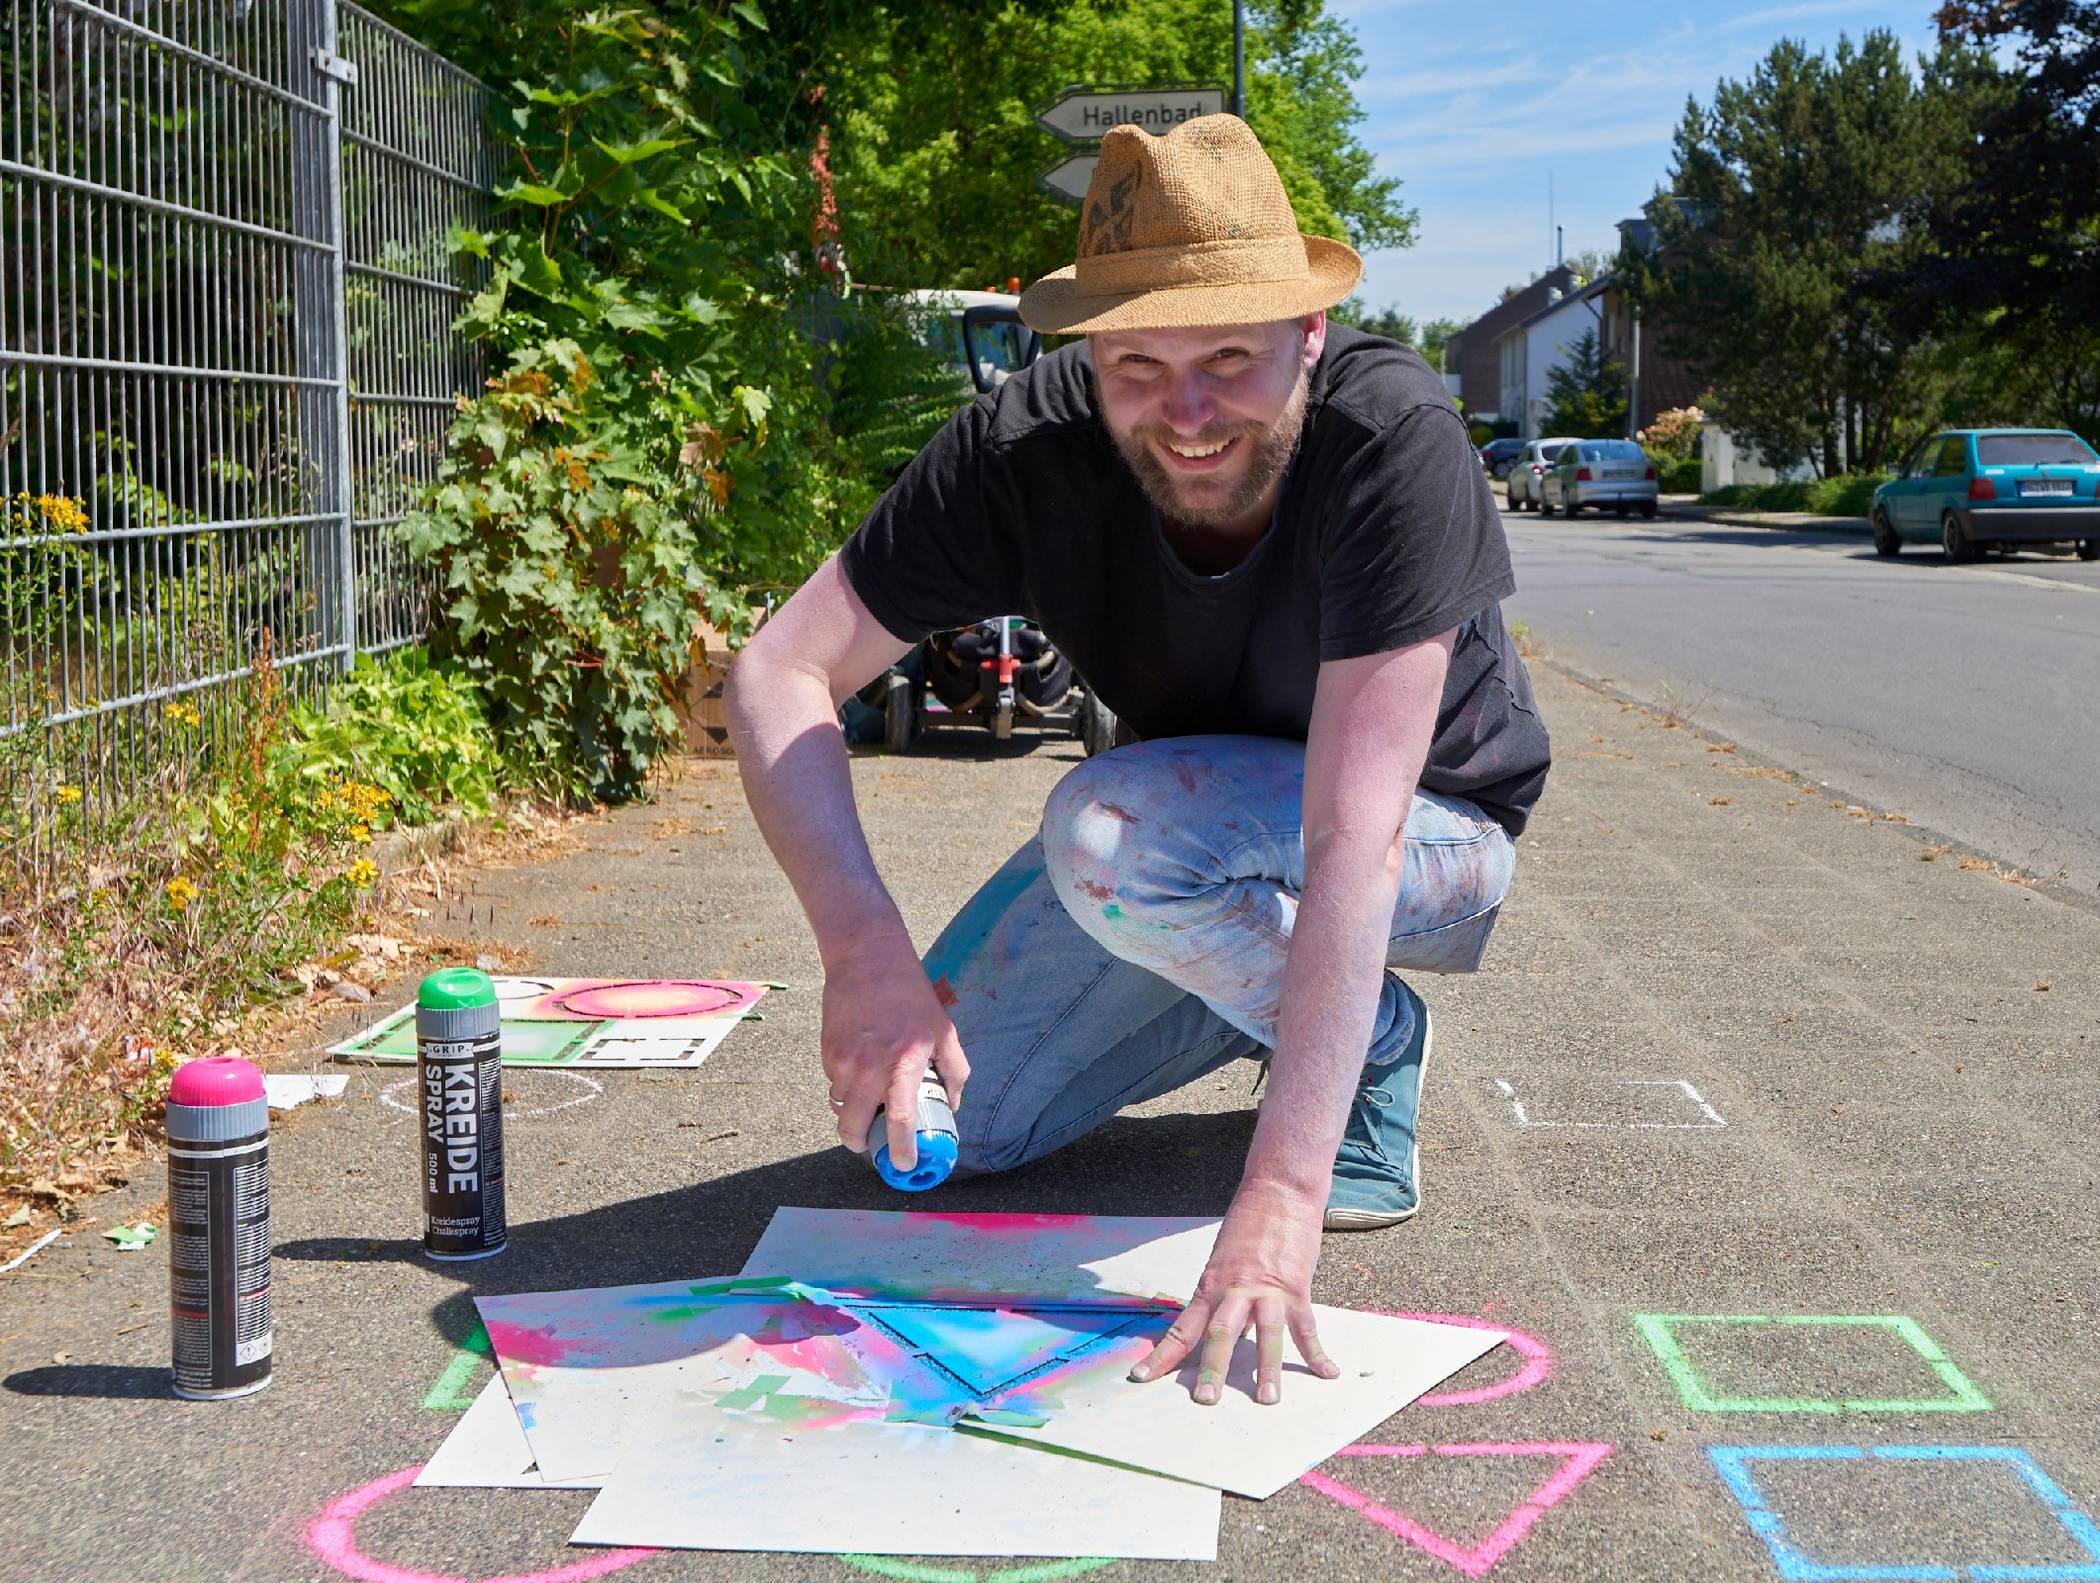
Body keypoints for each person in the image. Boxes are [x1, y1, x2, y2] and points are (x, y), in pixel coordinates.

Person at [724, 115, 1551, 1407]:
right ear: (1087, 353)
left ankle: (1367, 1044)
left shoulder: (1393, 442)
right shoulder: (1018, 452)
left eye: (1231, 358)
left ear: (1311, 337)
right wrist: (862, 954)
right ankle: (1240, 981)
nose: (1188, 413)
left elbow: (1355, 837)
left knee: (1112, 836)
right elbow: (777, 670)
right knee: (952, 1128)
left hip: (1431, 836)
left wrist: (1281, 1193)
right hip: (1187, 835)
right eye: (1137, 366)